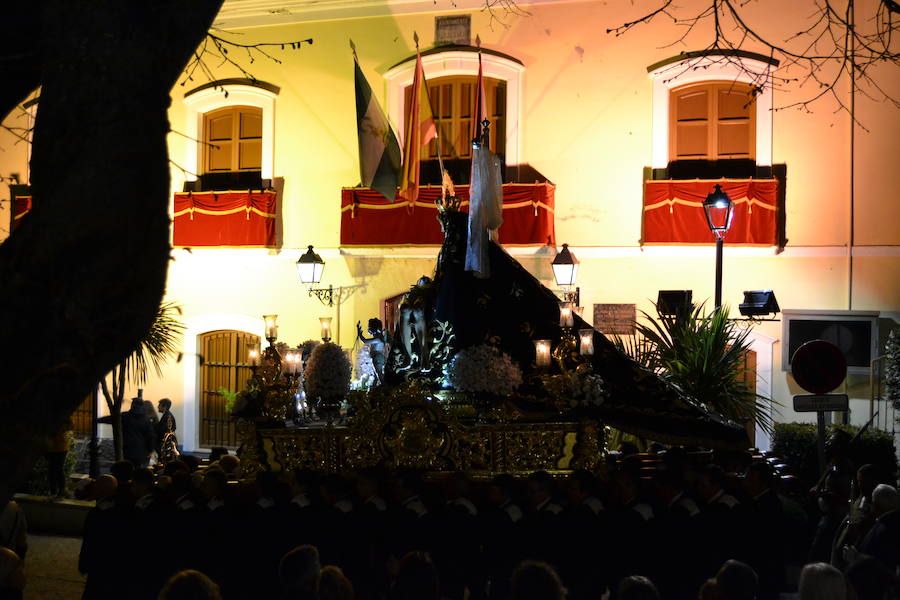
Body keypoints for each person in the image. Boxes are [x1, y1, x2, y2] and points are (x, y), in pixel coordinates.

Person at [45, 419, 71, 498]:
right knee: (52, 470)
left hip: (60, 447)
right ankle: (55, 491)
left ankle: (60, 490)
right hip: (52, 447)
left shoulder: (63, 417)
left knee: (57, 469)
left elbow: (70, 426)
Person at [156, 398, 179, 465]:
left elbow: (165, 431)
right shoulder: (167, 415)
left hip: (167, 447)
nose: (158, 407)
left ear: (164, 406)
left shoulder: (168, 416)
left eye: (159, 405)